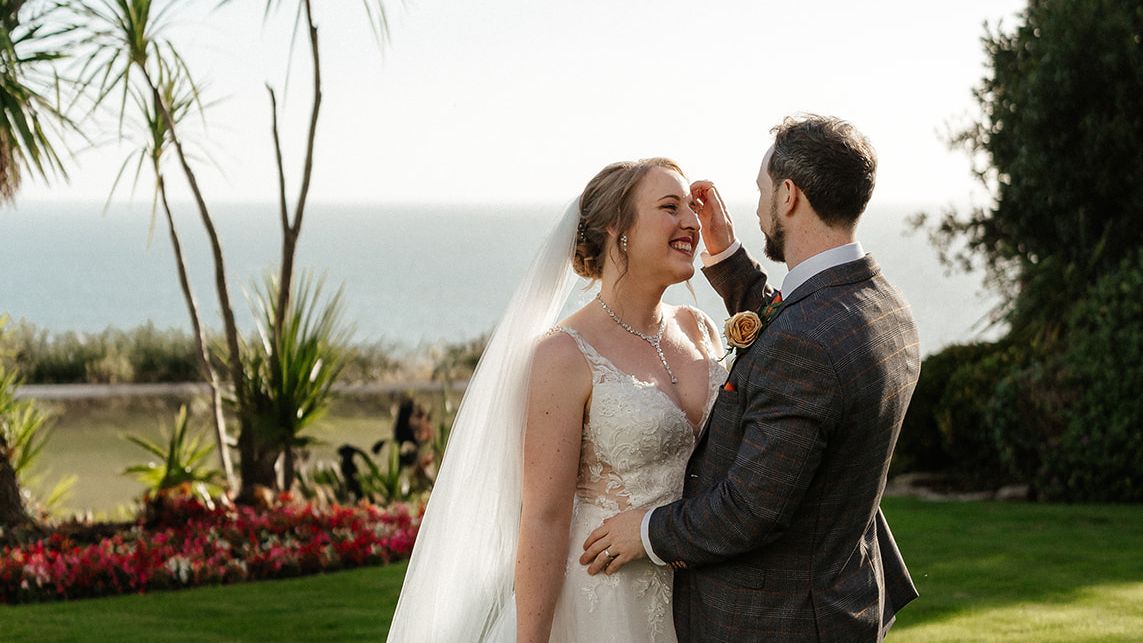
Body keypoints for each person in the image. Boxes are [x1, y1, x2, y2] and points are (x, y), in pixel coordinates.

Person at [581, 115, 922, 641]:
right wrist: (726, 255)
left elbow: (749, 509)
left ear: (788, 196)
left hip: (777, 620)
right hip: (844, 596)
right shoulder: (882, 306)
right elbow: (793, 329)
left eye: (763, 191)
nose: (759, 206)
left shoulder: (808, 340)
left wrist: (645, 531)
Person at [387, 158, 726, 642]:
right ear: (617, 230)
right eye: (670, 207)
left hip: (707, 597)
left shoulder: (700, 328)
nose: (691, 222)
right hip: (608, 603)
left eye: (691, 208)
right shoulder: (563, 354)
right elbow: (544, 518)